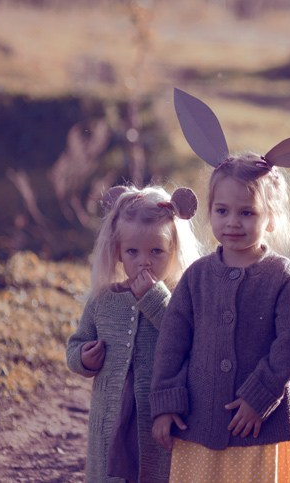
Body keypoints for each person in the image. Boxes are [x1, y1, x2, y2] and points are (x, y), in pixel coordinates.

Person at [151, 89, 290, 483]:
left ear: (271, 219)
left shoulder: (281, 275)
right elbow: (173, 341)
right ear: (209, 211)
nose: (233, 222)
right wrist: (165, 403)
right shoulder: (197, 277)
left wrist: (258, 397)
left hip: (255, 422)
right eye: (222, 210)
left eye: (247, 212)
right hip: (197, 414)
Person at [66, 184, 201, 483]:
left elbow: (187, 339)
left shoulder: (180, 297)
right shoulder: (103, 299)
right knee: (112, 468)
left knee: (157, 471)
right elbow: (77, 343)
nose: (144, 261)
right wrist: (83, 359)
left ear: (174, 251)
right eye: (132, 251)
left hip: (160, 415)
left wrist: (155, 297)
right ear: (117, 252)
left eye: (156, 251)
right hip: (113, 414)